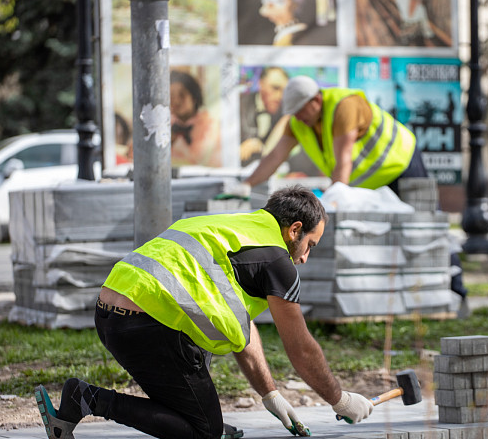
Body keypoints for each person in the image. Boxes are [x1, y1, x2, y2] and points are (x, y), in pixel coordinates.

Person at [33, 185, 373, 439]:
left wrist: (270, 395)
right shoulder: (277, 260)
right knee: (202, 432)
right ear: (294, 229)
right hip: (149, 327)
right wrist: (340, 400)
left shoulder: (229, 228)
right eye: (310, 245)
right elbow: (301, 348)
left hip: (111, 314)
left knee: (200, 351)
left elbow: (240, 325)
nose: (305, 258)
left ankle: (192, 410)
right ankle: (87, 398)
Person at [230, 75, 468, 309]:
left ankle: (457, 289)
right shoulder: (298, 124)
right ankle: (407, 295)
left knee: (426, 225)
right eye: (294, 113)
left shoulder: (344, 106)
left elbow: (343, 160)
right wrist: (247, 185)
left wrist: (333, 202)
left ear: (316, 100)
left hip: (400, 163)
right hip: (369, 181)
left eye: (302, 111)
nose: (299, 118)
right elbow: (274, 157)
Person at [169, 70, 221, 167]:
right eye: (171, 96)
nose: (176, 101)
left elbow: (200, 160)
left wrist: (177, 142)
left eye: (182, 95)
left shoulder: (209, 125)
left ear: (194, 97)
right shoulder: (165, 125)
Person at [240, 67, 290, 166]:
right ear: (261, 84)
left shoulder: (286, 113)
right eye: (275, 88)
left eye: (284, 91)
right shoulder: (240, 105)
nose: (280, 96)